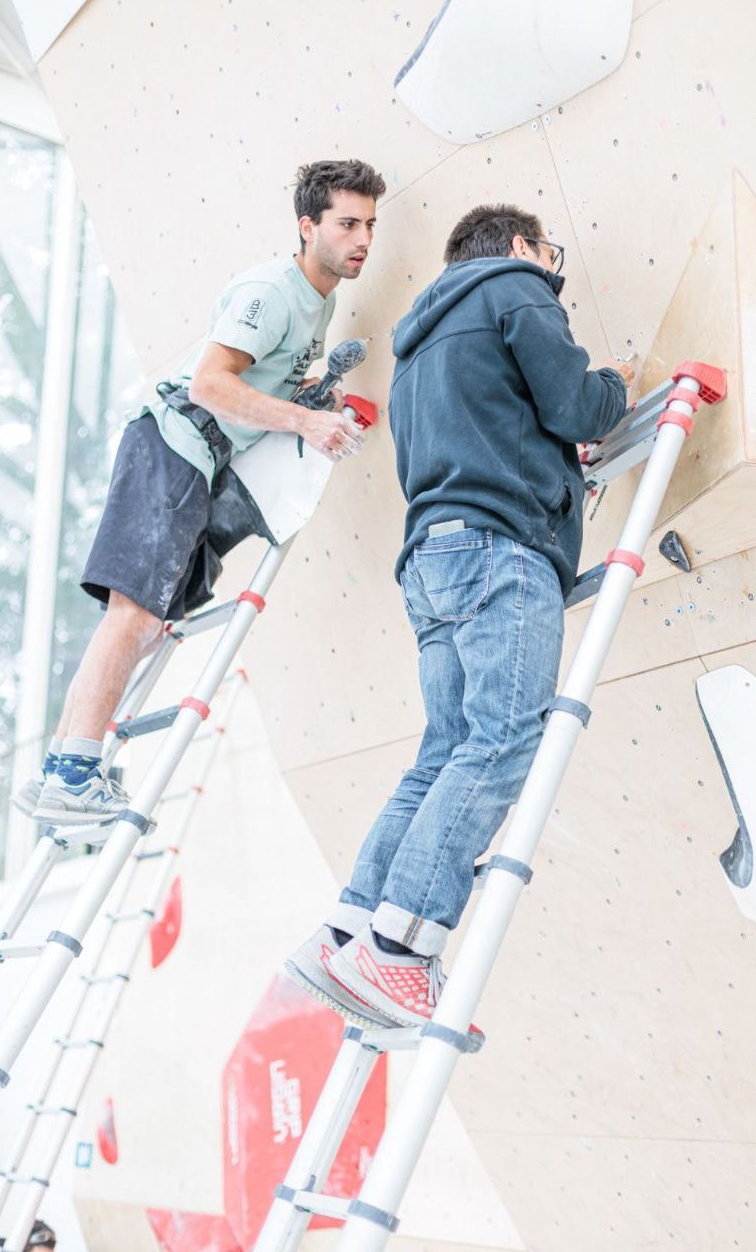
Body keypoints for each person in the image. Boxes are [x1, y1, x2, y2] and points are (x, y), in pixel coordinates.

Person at [287, 202, 635, 1029]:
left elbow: (492, 425)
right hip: (499, 552)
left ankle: (348, 933)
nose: (553, 268)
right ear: (519, 246)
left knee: (444, 752)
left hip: (434, 558)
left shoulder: (419, 341)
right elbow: (581, 407)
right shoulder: (518, 287)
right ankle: (402, 950)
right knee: (503, 740)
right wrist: (615, 384)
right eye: (548, 252)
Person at [13, 159, 386, 827]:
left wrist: (317, 389)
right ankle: (74, 773)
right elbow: (210, 386)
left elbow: (259, 388)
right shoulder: (272, 291)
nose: (363, 239)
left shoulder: (318, 302)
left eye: (371, 225)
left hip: (194, 460)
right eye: (348, 223)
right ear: (309, 227)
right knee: (134, 615)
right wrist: (307, 421)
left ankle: (58, 773)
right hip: (174, 445)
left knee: (140, 620)